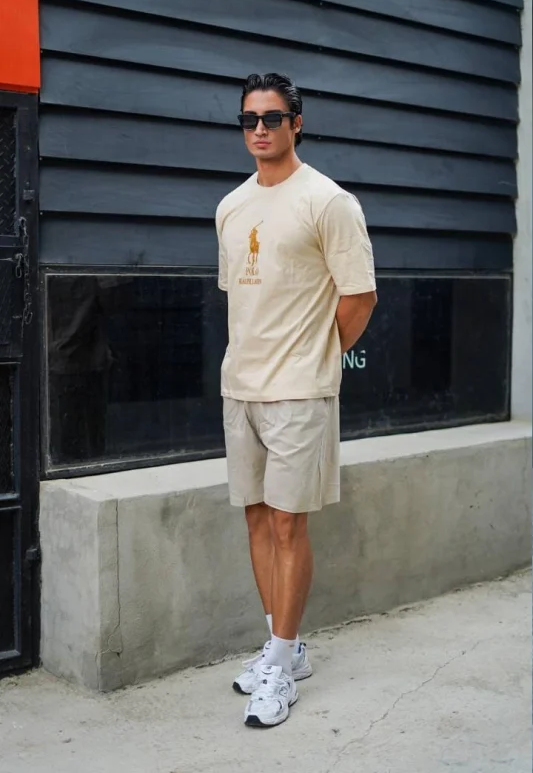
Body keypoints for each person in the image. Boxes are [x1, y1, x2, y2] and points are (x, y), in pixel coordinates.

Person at [216, 73, 377, 728]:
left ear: (296, 124)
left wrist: (316, 359)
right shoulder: (230, 207)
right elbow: (244, 297)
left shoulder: (328, 201)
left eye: (272, 118)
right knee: (256, 520)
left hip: (298, 393)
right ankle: (284, 646)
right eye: (248, 119)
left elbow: (359, 297)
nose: (259, 129)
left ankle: (280, 666)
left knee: (288, 525)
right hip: (241, 388)